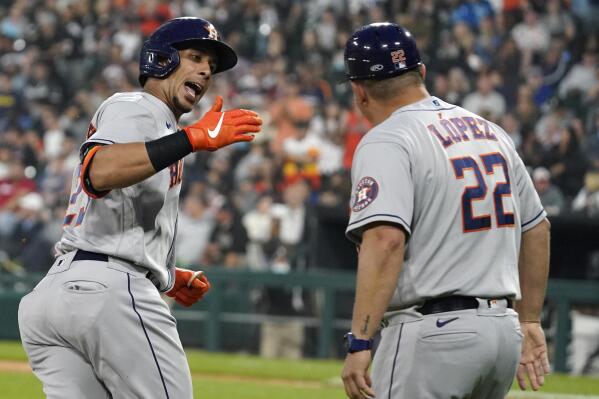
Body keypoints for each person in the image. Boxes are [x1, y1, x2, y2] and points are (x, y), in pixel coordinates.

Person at [18, 17, 262, 399]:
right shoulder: (139, 106)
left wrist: (166, 275)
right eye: (195, 56)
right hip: (108, 294)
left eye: (210, 67)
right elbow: (98, 172)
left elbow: (116, 212)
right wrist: (192, 137)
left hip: (60, 293)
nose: (205, 70)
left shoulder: (156, 126)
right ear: (161, 60)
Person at [340, 23, 551, 399]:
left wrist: (360, 341)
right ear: (421, 73)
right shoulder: (490, 131)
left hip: (432, 335)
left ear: (359, 92)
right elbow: (537, 229)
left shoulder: (388, 138)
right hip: (502, 332)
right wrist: (530, 319)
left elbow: (386, 241)